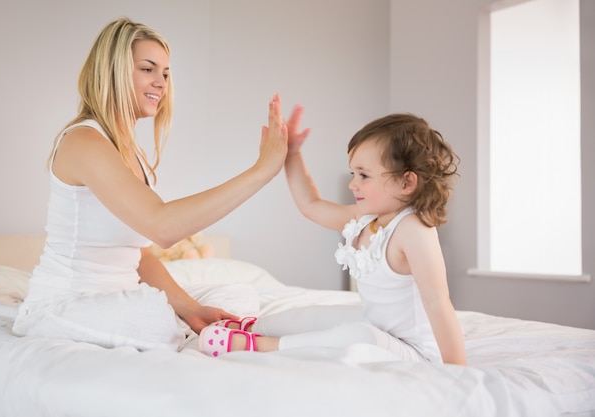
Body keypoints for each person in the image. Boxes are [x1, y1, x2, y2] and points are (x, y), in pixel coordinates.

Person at [12, 18, 288, 352]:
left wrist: (192, 311)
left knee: (237, 293)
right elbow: (163, 227)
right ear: (112, 71)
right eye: (148, 69)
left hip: (122, 298)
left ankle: (202, 329)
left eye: (166, 73)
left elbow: (140, 256)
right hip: (67, 304)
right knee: (155, 319)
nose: (161, 82)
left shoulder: (131, 152)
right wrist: (261, 171)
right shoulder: (84, 141)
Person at [198, 109, 467, 366]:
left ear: (407, 182)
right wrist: (292, 154)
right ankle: (254, 327)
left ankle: (259, 345)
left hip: (411, 350)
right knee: (318, 314)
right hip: (377, 325)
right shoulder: (366, 218)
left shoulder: (413, 229)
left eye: (364, 175)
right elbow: (311, 205)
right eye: (353, 173)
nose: (353, 183)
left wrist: (457, 370)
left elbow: (438, 302)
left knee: (361, 337)